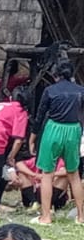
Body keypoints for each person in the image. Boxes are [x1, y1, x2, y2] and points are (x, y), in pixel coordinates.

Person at [30, 61, 84, 226]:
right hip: (74, 129)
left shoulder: (50, 90)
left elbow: (40, 116)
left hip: (53, 129)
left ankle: (46, 217)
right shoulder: (80, 91)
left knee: (47, 174)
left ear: (56, 75)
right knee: (74, 174)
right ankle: (81, 217)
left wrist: (33, 137)